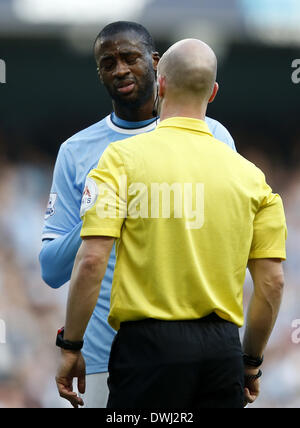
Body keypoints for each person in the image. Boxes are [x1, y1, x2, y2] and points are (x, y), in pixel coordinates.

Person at [55, 38, 287, 408]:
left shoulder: (119, 160)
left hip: (146, 350)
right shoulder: (252, 178)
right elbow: (272, 283)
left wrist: (71, 345)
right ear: (212, 93)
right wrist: (250, 361)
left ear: (159, 84)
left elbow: (92, 260)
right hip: (222, 351)